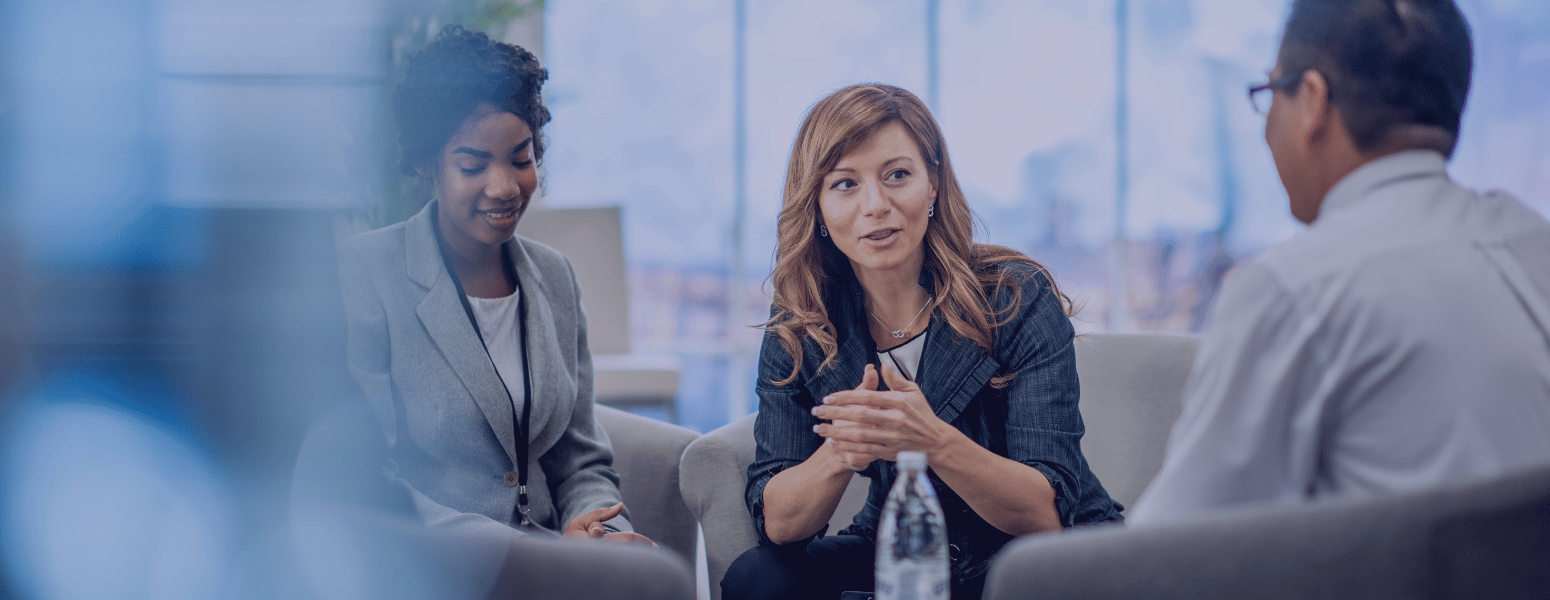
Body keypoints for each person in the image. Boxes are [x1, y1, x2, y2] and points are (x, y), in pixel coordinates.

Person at [1131, 0, 1550, 524]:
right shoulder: (1533, 244)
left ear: (1311, 100)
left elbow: (1171, 552)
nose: (1266, 130)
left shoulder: (1294, 289)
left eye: (1269, 95)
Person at [721, 84, 1121, 600]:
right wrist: (844, 448)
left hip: (1038, 557)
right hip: (902, 543)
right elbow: (779, 521)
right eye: (845, 184)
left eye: (897, 175)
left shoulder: (1014, 295)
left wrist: (930, 440)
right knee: (759, 578)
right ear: (817, 207)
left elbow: (1044, 514)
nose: (876, 205)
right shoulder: (802, 322)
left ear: (932, 185)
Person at [337, 25, 650, 545]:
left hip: (550, 555)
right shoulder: (368, 273)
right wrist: (521, 555)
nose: (505, 187)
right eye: (472, 165)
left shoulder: (555, 277)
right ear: (426, 164)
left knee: (651, 574)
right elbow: (368, 475)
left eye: (522, 159)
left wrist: (599, 526)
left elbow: (580, 461)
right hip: (435, 563)